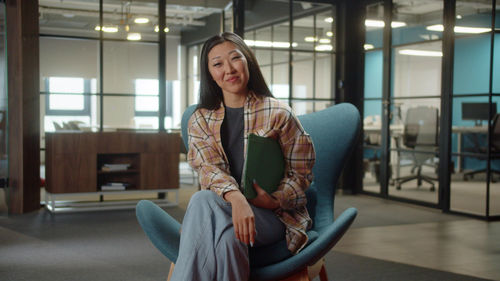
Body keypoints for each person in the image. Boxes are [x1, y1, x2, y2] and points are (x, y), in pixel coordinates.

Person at [170, 32, 315, 281]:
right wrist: (236, 199)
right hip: (224, 210)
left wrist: (275, 200)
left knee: (201, 201)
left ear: (247, 61)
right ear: (210, 74)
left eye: (235, 58)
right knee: (227, 236)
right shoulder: (201, 119)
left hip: (271, 217)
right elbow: (208, 169)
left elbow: (301, 174)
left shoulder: (279, 113)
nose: (228, 69)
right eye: (217, 64)